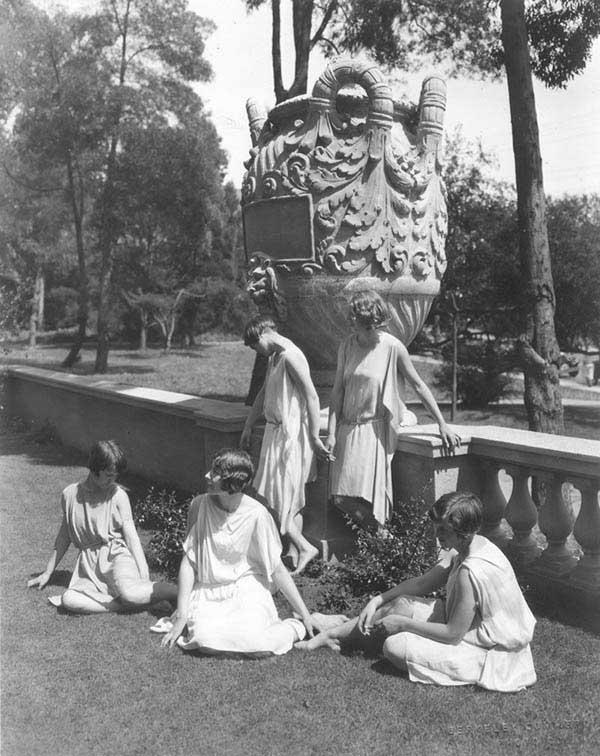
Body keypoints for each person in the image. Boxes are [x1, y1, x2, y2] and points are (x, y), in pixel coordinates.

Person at [297, 491, 537, 693]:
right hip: (467, 630)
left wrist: (402, 624)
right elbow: (422, 584)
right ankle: (334, 632)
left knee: (394, 646)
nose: (436, 535)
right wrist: (376, 599)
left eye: (443, 530)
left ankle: (335, 631)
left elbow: (453, 634)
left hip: (490, 654)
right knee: (402, 602)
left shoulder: (470, 572)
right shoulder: (471, 545)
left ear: (462, 532)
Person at [159, 449, 321, 655]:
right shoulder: (199, 505)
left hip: (247, 587)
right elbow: (189, 562)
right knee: (205, 641)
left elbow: (277, 570)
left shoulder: (257, 514)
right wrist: (182, 614)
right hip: (209, 589)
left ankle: (296, 624)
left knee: (257, 645)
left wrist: (305, 614)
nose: (207, 475)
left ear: (232, 483)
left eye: (216, 473)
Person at [327, 290, 460, 526]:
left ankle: (380, 545)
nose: (370, 331)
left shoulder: (392, 346)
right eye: (364, 324)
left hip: (374, 431)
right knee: (339, 498)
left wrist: (442, 423)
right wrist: (331, 432)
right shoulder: (346, 346)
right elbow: (337, 391)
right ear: (354, 320)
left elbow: (418, 385)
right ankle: (382, 544)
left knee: (367, 500)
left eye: (373, 325)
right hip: (348, 429)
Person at [27, 440, 177, 613]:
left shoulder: (118, 495)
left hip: (116, 557)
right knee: (69, 599)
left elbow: (132, 537)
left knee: (131, 594)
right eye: (108, 475)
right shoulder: (69, 495)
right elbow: (64, 536)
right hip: (88, 567)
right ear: (94, 469)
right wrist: (47, 573)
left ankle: (182, 593)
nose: (113, 480)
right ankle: (122, 605)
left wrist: (144, 577)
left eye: (115, 475)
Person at [240, 316, 331, 574]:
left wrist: (314, 437)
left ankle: (304, 547)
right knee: (287, 498)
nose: (255, 351)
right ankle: (292, 554)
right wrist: (248, 425)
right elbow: (262, 394)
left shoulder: (291, 356)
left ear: (264, 334)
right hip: (275, 433)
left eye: (254, 344)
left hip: (291, 436)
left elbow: (312, 396)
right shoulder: (275, 357)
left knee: (277, 499)